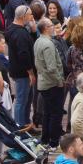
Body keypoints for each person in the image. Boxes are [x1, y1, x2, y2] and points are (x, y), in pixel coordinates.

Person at [34, 18, 66, 148]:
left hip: (43, 82)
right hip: (51, 84)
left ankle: (45, 139)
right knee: (55, 114)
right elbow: (52, 67)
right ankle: (53, 142)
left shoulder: (38, 41)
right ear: (46, 28)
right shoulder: (48, 44)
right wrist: (59, 81)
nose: (54, 27)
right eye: (52, 25)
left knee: (47, 112)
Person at [5, 5, 36, 127]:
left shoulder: (14, 29)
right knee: (22, 100)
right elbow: (24, 54)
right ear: (23, 17)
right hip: (22, 72)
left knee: (27, 99)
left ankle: (26, 124)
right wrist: (31, 72)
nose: (32, 17)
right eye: (30, 14)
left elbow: (30, 45)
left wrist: (33, 32)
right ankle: (19, 126)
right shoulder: (20, 33)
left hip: (19, 70)